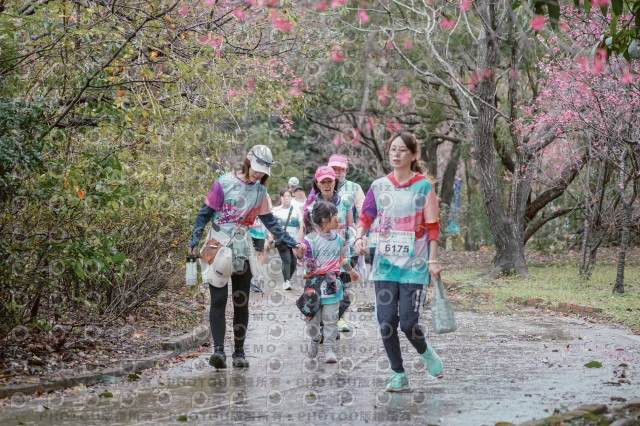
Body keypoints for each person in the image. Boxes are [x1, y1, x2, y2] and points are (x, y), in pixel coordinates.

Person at [188, 145, 304, 369]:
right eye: (256, 169)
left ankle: (239, 352)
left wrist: (293, 243)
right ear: (248, 163)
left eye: (263, 172)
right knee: (218, 300)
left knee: (241, 301)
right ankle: (218, 351)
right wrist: (194, 240)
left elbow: (271, 223)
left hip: (243, 247)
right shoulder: (223, 183)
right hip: (217, 243)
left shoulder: (260, 192)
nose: (258, 174)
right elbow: (204, 214)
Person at [353, 132, 443, 392]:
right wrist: (359, 238)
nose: (396, 154)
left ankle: (426, 353)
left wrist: (433, 259)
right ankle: (398, 374)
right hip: (384, 264)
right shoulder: (379, 186)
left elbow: (433, 226)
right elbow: (366, 217)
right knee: (386, 321)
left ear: (413, 155)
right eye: (393, 149)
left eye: (402, 150)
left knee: (408, 322)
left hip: (415, 264)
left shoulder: (424, 187)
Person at [306, 155, 365, 334]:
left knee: (343, 284)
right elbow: (306, 221)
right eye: (334, 169)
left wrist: (358, 239)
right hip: (322, 249)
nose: (337, 172)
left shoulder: (352, 192)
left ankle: (339, 317)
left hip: (344, 246)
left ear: (346, 170)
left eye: (340, 169)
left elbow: (358, 218)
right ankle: (322, 322)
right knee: (323, 284)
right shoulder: (315, 196)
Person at [294, 201, 359, 363]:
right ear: (324, 219)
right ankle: (315, 338)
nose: (338, 218)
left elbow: (342, 259)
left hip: (332, 285)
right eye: (335, 215)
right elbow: (302, 261)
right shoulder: (310, 239)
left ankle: (329, 349)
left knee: (331, 319)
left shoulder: (339, 240)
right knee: (312, 320)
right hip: (314, 286)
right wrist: (300, 255)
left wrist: (351, 272)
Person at [269, 188, 303, 290]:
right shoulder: (275, 211)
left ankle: (288, 278)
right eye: (284, 196)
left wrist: (298, 240)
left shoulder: (296, 210)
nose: (286, 198)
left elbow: (301, 226)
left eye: (288, 196)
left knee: (293, 261)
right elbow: (270, 225)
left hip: (294, 240)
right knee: (286, 259)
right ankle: (287, 281)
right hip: (281, 239)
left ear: (291, 197)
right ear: (281, 198)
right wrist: (271, 236)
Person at [249, 215, 268, 292]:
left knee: (257, 257)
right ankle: (252, 278)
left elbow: (267, 220)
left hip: (260, 234)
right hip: (249, 233)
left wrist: (267, 237)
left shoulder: (264, 208)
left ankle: (256, 279)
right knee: (250, 257)